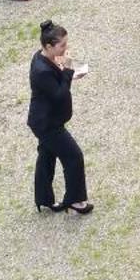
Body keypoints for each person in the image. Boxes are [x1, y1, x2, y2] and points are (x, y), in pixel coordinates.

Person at [28, 20, 91, 215]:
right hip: (48, 124)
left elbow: (57, 87)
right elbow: (59, 95)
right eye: (62, 45)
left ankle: (44, 199)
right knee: (73, 156)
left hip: (44, 119)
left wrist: (66, 74)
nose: (66, 48)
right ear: (48, 46)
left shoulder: (44, 58)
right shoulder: (42, 70)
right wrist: (69, 71)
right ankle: (75, 200)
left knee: (46, 156)